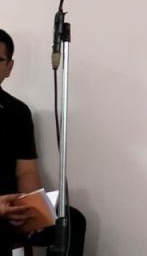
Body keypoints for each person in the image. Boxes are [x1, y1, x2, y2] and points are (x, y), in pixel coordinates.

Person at [0, 29, 85, 256]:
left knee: (72, 220)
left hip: (12, 208)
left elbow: (26, 171)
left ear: (9, 67)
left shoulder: (17, 112)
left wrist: (33, 208)